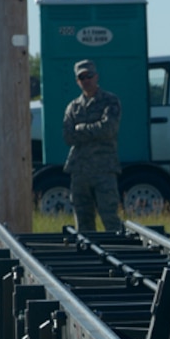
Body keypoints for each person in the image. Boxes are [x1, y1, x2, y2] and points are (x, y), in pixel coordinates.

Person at [62, 59, 123, 232]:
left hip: (104, 170)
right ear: (77, 81)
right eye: (82, 77)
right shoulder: (73, 107)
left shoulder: (110, 101)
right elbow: (68, 136)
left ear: (96, 77)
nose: (86, 80)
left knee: (110, 218)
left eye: (89, 75)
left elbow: (109, 129)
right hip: (79, 171)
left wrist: (81, 129)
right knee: (83, 222)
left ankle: (118, 253)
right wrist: (93, 131)